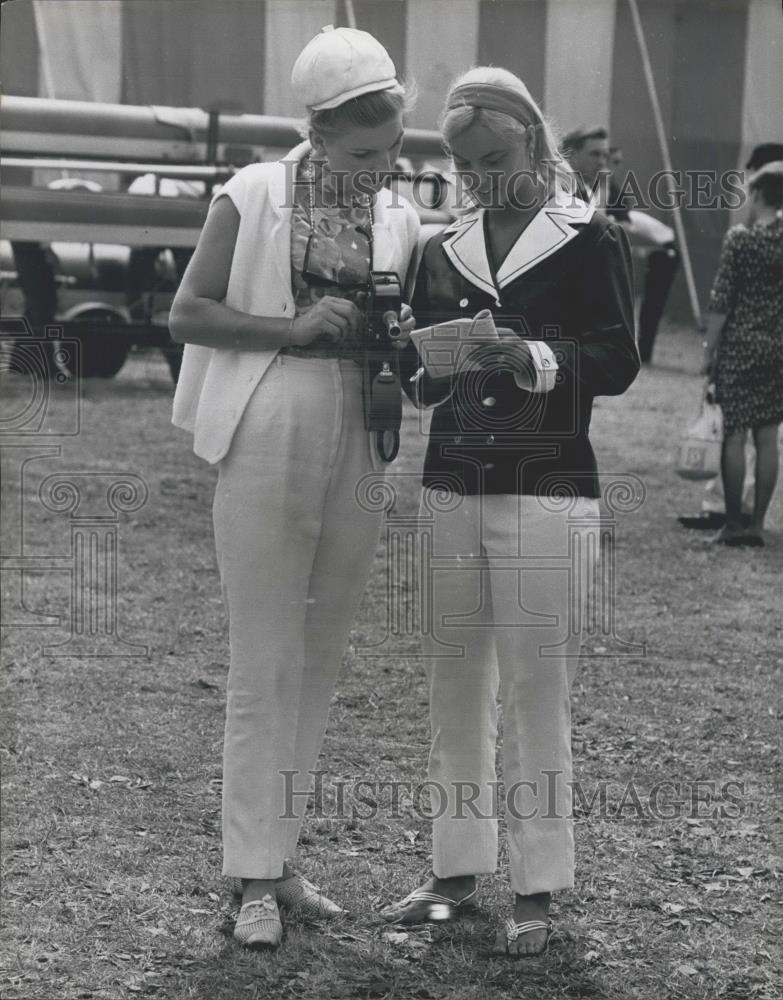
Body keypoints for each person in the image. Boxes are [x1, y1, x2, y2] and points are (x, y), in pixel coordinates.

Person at [169, 25, 420, 950]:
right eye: (363, 152)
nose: (382, 168)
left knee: (321, 657)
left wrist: (420, 346)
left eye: (393, 149)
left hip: (364, 429)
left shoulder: (400, 217)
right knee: (264, 655)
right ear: (316, 132)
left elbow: (403, 324)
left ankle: (279, 859)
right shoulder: (251, 193)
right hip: (271, 415)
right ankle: (247, 878)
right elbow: (186, 311)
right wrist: (290, 324)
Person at [381, 68, 639, 956]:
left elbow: (617, 357)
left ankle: (537, 883)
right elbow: (418, 375)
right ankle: (452, 869)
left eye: (490, 158)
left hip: (548, 481)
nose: (477, 178)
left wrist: (528, 353)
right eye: (461, 163)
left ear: (531, 137)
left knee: (536, 688)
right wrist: (415, 366)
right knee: (454, 683)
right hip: (450, 478)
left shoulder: (588, 236)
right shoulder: (437, 244)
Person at [679, 141, 783, 531]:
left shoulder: (741, 239)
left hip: (741, 346)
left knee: (735, 435)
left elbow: (721, 302)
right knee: (768, 439)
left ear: (757, 194)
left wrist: (709, 350)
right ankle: (757, 523)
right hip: (779, 349)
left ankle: (733, 522)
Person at [563, 125, 680, 364]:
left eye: (606, 156)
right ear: (572, 154)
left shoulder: (601, 187)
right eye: (595, 154)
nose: (602, 162)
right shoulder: (560, 185)